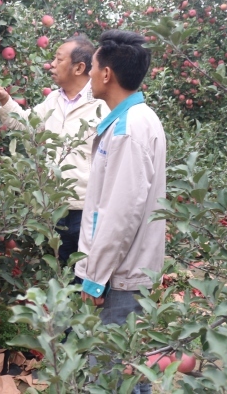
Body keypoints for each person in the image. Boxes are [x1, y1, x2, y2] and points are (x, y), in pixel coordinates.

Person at [75, 30, 166, 394]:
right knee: (128, 371)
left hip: (120, 276)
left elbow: (119, 215)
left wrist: (95, 277)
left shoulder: (128, 130)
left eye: (93, 68)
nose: (90, 76)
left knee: (110, 375)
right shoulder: (135, 121)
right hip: (125, 270)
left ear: (107, 74)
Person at [0, 35, 109, 264]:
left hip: (88, 206)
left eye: (58, 59)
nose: (51, 64)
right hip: (55, 205)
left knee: (90, 271)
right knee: (63, 270)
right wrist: (5, 101)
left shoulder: (102, 103)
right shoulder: (54, 100)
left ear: (79, 67)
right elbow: (27, 124)